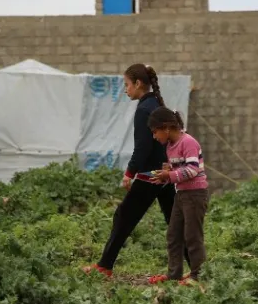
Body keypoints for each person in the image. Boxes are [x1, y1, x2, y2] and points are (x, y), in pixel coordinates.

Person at [82, 64, 187, 278]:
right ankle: (196, 270)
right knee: (175, 222)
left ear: (138, 84)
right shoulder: (156, 104)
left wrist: (129, 172)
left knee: (123, 217)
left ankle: (104, 267)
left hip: (152, 176)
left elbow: (143, 147)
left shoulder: (143, 110)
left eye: (127, 84)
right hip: (167, 174)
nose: (125, 89)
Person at [146, 107, 209, 285]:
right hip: (181, 194)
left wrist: (170, 176)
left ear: (166, 128)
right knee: (174, 234)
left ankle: (198, 275)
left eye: (155, 131)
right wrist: (164, 176)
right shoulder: (170, 146)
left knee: (192, 236)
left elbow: (192, 169)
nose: (154, 136)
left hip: (195, 195)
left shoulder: (188, 142)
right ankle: (174, 273)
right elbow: (177, 170)